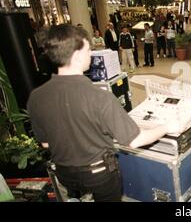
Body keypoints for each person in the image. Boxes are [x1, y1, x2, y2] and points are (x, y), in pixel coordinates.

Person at [26, 24, 180, 201]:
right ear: (76, 56)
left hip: (65, 174)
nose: (91, 54)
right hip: (99, 176)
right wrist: (168, 126)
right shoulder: (99, 97)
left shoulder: (36, 97)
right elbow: (135, 140)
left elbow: (45, 143)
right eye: (88, 50)